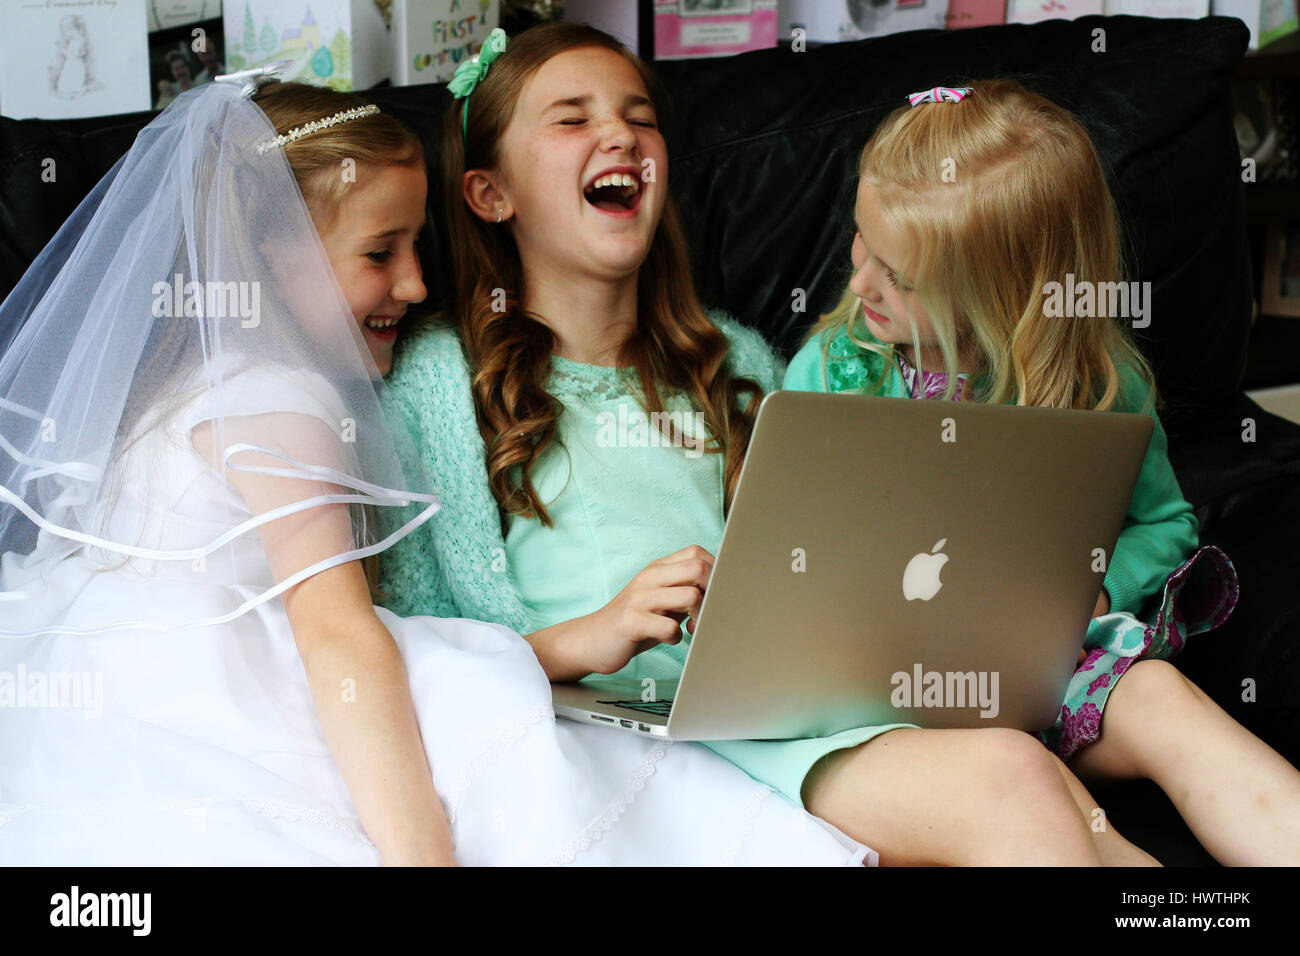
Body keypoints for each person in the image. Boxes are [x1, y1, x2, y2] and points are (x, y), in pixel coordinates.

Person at [0, 76, 870, 866]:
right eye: (381, 253)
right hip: (229, 708)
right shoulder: (285, 404)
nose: (417, 285)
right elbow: (340, 637)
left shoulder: (176, 391)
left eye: (419, 247)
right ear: (269, 253)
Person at [379, 23, 1151, 865]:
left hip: (780, 713)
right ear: (490, 194)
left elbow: (832, 562)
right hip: (613, 728)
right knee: (1011, 776)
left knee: (1076, 813)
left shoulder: (737, 362)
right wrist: (584, 636)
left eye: (641, 116)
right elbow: (418, 655)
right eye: (571, 119)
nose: (621, 135)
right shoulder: (440, 382)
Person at [783, 79, 1300, 865]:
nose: (859, 284)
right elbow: (780, 537)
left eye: (902, 278)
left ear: (1009, 295)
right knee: (1051, 807)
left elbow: (1166, 524)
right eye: (861, 241)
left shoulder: (1101, 387)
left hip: (1040, 670)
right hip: (880, 695)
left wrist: (1093, 583)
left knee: (1160, 697)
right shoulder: (832, 368)